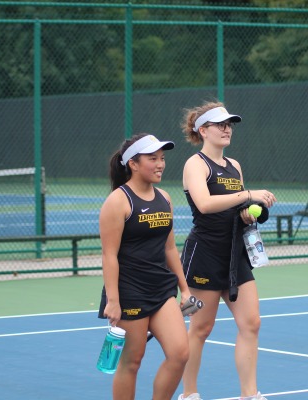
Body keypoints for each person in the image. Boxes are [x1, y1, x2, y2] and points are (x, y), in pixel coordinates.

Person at [177, 102, 277, 400]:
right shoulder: (195, 164)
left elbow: (238, 207)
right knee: (200, 326)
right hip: (204, 256)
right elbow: (205, 205)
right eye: (219, 124)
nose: (226, 128)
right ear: (203, 130)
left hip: (236, 255)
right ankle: (189, 394)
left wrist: (248, 213)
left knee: (252, 323)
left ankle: (250, 394)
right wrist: (248, 194)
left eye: (229, 124)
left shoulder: (234, 166)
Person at [98, 133, 192, 400]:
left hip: (161, 289)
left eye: (162, 158)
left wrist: (184, 290)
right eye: (153, 158)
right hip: (130, 291)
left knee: (180, 353)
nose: (161, 164)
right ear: (133, 164)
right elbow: (109, 256)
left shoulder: (164, 197)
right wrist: (113, 301)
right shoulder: (118, 201)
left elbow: (170, 248)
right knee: (132, 361)